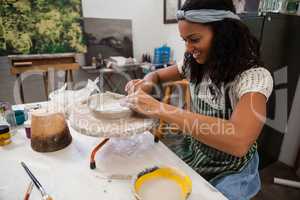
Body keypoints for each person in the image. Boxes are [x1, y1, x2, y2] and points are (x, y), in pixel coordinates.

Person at [124, 0, 273, 199]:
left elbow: (239, 141)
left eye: (194, 39)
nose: (188, 48)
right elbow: (157, 76)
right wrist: (147, 83)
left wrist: (160, 108)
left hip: (232, 169)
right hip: (197, 152)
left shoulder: (252, 77)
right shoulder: (193, 64)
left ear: (223, 35)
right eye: (184, 40)